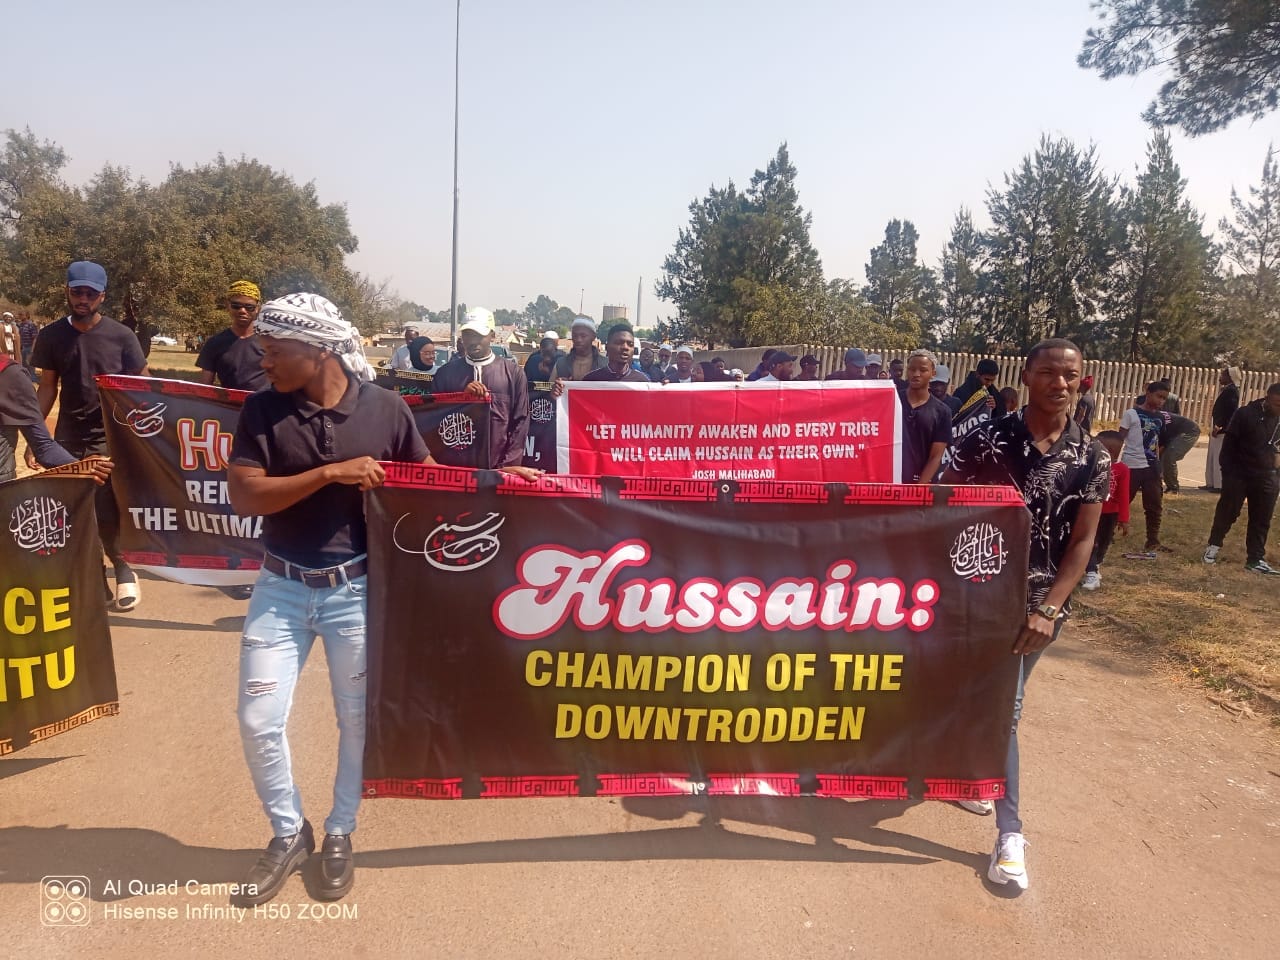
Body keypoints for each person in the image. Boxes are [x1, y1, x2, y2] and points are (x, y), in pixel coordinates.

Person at [227, 292, 432, 907]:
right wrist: (328, 473)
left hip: (356, 592)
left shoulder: (387, 408)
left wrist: (502, 484)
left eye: (274, 351)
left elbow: (430, 485)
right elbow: (246, 495)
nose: (264, 362)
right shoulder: (262, 409)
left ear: (318, 351)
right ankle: (289, 831)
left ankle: (341, 829)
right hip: (281, 588)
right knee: (258, 719)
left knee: (356, 722)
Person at [941, 338, 1108, 892]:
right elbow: (938, 507)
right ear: (1027, 376)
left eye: (1070, 375)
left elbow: (1082, 542)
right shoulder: (984, 438)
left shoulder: (1092, 457)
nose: (1060, 383)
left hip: (1040, 608)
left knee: (1005, 705)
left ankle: (1004, 824)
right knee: (985, 697)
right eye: (1048, 373)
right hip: (977, 596)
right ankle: (980, 783)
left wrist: (1050, 608)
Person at [30, 261, 149, 611]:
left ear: (102, 297)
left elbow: (143, 384)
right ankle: (96, 581)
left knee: (106, 507)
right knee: (74, 512)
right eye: (77, 292)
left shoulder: (121, 336)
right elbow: (48, 386)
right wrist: (37, 437)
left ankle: (123, 569)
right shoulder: (52, 335)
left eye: (90, 293)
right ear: (67, 292)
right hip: (67, 437)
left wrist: (143, 432)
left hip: (109, 437)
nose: (83, 299)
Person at [430, 308, 534, 472]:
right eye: (467, 335)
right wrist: (460, 399)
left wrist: (507, 467)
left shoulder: (513, 373)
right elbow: (433, 421)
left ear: (492, 335)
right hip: (456, 470)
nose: (472, 341)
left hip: (499, 469)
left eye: (478, 335)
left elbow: (520, 423)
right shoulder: (445, 374)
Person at [1202, 383, 1280, 575]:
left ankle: (1255, 559)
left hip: (1268, 476)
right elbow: (1229, 445)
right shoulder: (1245, 414)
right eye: (1278, 404)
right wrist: (1228, 472)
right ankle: (1213, 547)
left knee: (1262, 518)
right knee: (1228, 511)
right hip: (1239, 473)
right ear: (1268, 397)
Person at [1118, 381, 1170, 553]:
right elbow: (1119, 439)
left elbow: (1161, 442)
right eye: (1159, 396)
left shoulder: (1160, 418)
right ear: (1148, 393)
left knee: (1154, 505)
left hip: (1151, 468)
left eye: (1164, 398)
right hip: (1131, 466)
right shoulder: (1131, 414)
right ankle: (1106, 533)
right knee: (1121, 500)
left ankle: (1152, 540)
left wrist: (1157, 465)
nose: (1161, 401)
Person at [198, 281, 269, 391]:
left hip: (265, 402)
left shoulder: (269, 341)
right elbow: (204, 389)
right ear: (228, 306)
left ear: (257, 309)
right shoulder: (214, 343)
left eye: (249, 307)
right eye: (236, 306)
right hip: (228, 402)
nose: (242, 311)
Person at [1080, 431, 1129, 591]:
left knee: (1104, 541)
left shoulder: (1122, 470)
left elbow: (1123, 495)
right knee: (1091, 542)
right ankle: (1091, 572)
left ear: (1110, 450)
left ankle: (1096, 565)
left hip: (1110, 514)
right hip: (1091, 511)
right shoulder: (1089, 465)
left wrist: (1124, 519)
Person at [899, 350, 951, 483]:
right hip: (887, 481)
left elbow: (936, 456)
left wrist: (919, 489)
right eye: (912, 369)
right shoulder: (892, 400)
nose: (916, 374)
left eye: (923, 370)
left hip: (920, 483)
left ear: (933, 373)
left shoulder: (942, 412)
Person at [1205, 367, 1241, 492]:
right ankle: (1210, 483)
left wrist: (1220, 426)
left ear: (1230, 377)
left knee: (1218, 456)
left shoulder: (1232, 391)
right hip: (1217, 425)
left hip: (1221, 427)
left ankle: (1219, 485)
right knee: (1212, 455)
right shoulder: (1226, 389)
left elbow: (1230, 412)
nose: (1220, 377)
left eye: (1223, 375)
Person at [583, 322, 650, 383]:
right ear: (607, 347)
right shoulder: (591, 379)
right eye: (619, 343)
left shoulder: (642, 381)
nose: (625, 347)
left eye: (630, 344)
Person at [951, 359, 1001, 436]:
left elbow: (1000, 418)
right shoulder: (962, 393)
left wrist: (994, 408)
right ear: (977, 374)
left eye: (992, 380)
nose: (989, 383)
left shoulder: (993, 392)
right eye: (987, 379)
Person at [552, 317, 606, 381]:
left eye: (583, 336)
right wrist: (556, 385)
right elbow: (549, 386)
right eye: (575, 336)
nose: (578, 340)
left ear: (593, 337)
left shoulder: (605, 365)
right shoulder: (561, 364)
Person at [1159, 413, 1201, 494]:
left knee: (1169, 456)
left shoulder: (1158, 420)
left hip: (1190, 431)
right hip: (1176, 433)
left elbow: (1164, 442)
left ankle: (1173, 488)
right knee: (1163, 457)